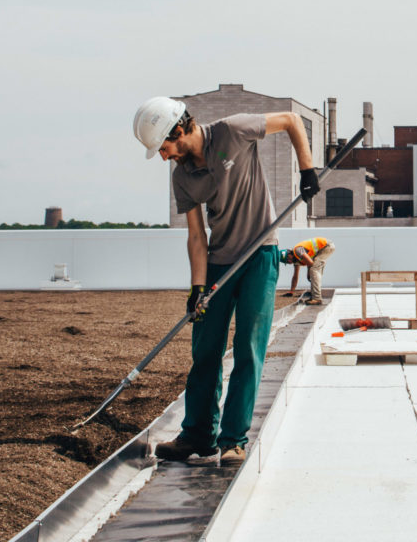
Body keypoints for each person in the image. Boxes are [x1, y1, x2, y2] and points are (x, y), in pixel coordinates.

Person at [132, 96, 319, 466]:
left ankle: (234, 440)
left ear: (179, 129)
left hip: (260, 256)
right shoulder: (182, 177)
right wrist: (197, 288)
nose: (165, 156)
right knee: (205, 350)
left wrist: (307, 170)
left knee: (249, 346)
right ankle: (198, 438)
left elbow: (292, 120)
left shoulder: (232, 131)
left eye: (165, 147)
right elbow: (197, 236)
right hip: (218, 262)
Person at [280, 237, 335, 305]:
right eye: (287, 262)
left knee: (314, 270)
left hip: (326, 246)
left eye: (288, 259)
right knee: (314, 271)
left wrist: (308, 273)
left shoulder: (297, 250)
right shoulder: (296, 259)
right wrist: (291, 291)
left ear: (289, 254)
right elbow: (295, 276)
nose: (289, 262)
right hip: (325, 247)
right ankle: (314, 294)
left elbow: (310, 263)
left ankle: (317, 298)